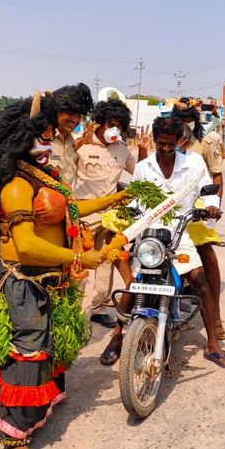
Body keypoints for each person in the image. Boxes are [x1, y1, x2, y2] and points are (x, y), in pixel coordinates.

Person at [0, 91, 129, 449]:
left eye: (47, 137)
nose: (46, 144)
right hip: (21, 280)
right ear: (18, 139)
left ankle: (44, 401)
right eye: (39, 137)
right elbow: (25, 246)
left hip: (47, 278)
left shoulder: (40, 173)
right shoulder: (15, 184)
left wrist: (111, 201)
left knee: (47, 343)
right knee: (27, 348)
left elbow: (71, 208)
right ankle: (15, 437)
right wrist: (80, 257)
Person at [129, 116, 225, 368]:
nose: (165, 149)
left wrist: (211, 207)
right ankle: (117, 338)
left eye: (170, 144)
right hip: (150, 235)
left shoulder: (194, 163)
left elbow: (208, 190)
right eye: (160, 144)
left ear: (179, 142)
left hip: (180, 233)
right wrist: (129, 212)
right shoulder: (143, 167)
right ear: (155, 141)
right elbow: (134, 199)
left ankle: (212, 345)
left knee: (201, 282)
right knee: (135, 284)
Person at [72, 99, 149, 331]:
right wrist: (76, 146)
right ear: (100, 122)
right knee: (80, 264)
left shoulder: (121, 149)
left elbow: (142, 174)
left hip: (110, 216)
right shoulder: (82, 145)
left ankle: (98, 308)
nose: (113, 129)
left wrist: (143, 149)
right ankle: (72, 311)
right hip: (84, 214)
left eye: (118, 125)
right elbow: (62, 170)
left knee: (106, 261)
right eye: (110, 124)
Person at [172, 98, 225, 340]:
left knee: (207, 257)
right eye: (181, 121)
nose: (186, 124)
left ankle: (215, 319)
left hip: (198, 208)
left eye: (189, 120)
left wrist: (212, 211)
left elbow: (216, 178)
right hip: (172, 210)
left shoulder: (206, 142)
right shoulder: (167, 141)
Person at [46, 83, 95, 188]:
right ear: (56, 111)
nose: (75, 119)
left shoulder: (69, 142)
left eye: (79, 115)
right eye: (70, 112)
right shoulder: (42, 139)